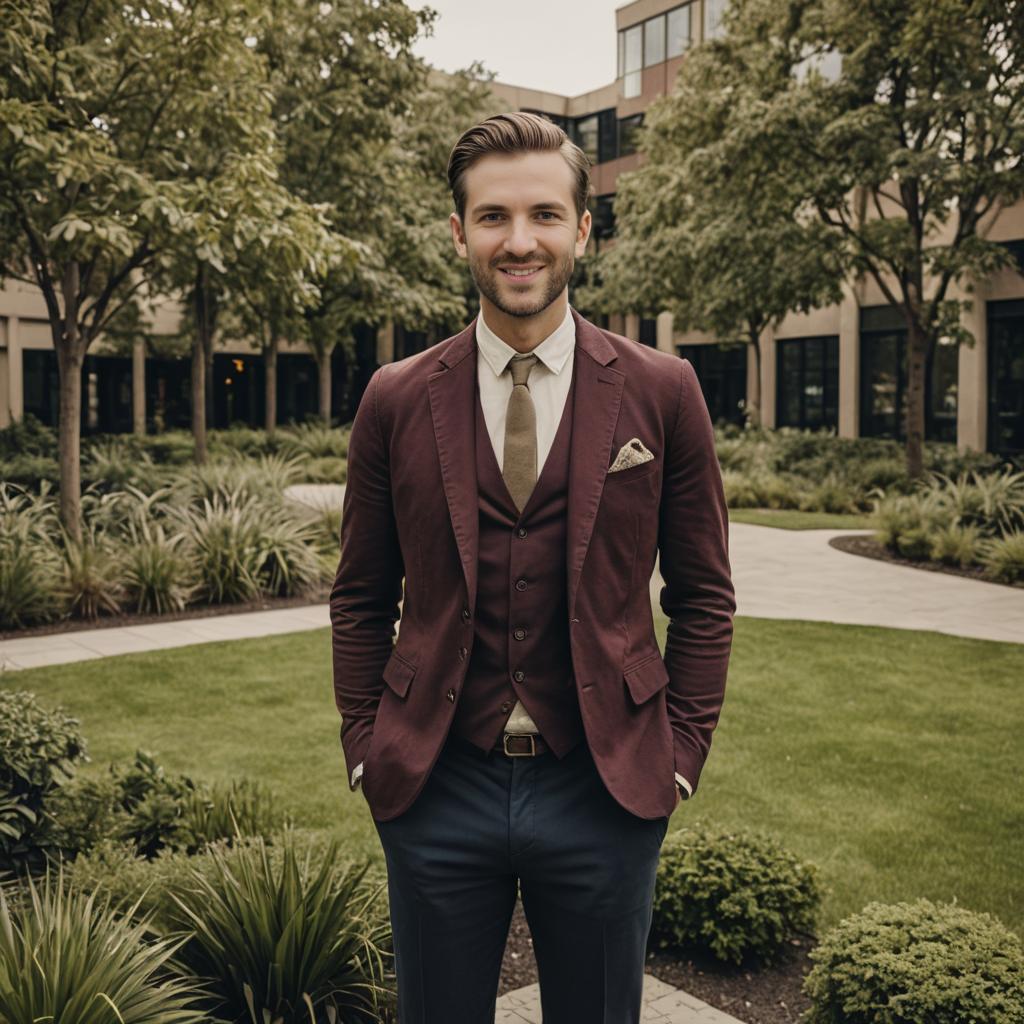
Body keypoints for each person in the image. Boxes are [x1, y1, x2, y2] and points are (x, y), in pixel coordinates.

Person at [330, 111, 736, 1024]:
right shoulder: (395, 398)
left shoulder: (662, 390)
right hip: (436, 784)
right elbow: (358, 598)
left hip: (607, 783)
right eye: (494, 217)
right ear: (459, 231)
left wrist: (679, 757)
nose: (521, 242)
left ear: (583, 229)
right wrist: (367, 748)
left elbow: (705, 596)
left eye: (546, 215)